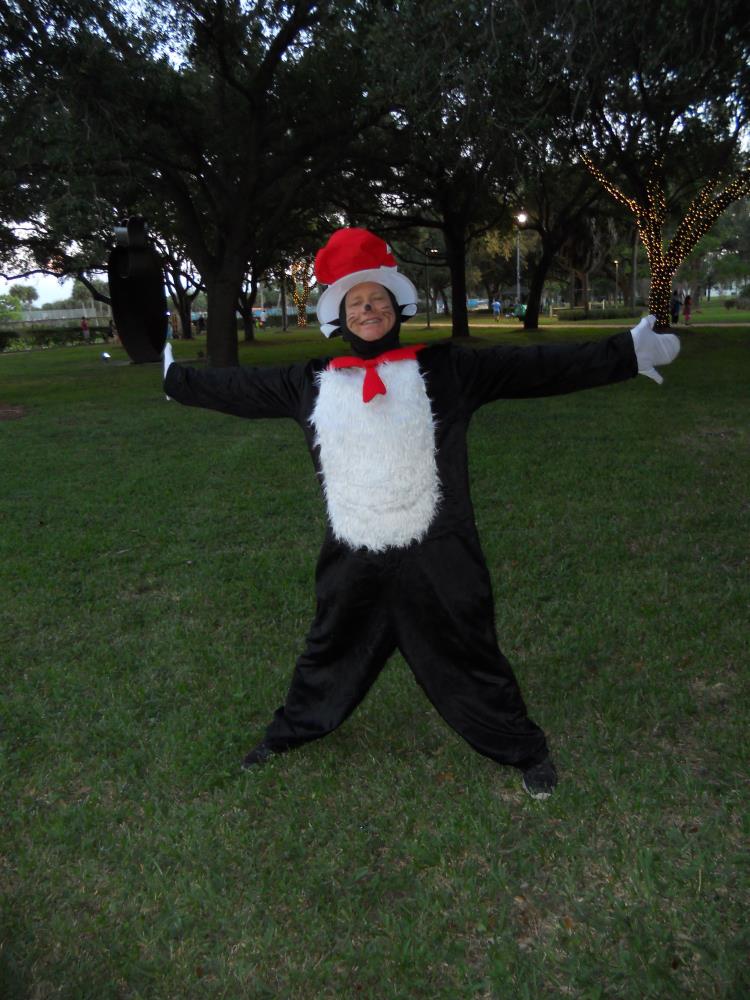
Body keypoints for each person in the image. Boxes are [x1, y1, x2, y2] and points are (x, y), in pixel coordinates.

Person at [162, 227, 680, 799]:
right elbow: (238, 387)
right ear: (341, 316)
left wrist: (627, 352)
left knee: (470, 651)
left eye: (378, 300)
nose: (368, 310)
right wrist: (177, 380)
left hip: (439, 551)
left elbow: (536, 366)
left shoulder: (449, 370)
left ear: (397, 307)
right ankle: (290, 733)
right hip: (353, 552)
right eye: (356, 303)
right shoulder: (309, 382)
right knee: (330, 646)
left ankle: (522, 749)